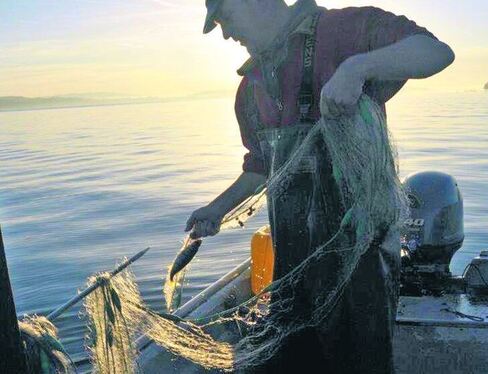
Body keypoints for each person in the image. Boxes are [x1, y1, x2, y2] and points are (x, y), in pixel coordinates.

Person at [185, 0, 454, 372]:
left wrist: (357, 67)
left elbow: (436, 53)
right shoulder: (250, 89)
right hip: (293, 265)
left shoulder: (343, 31)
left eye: (226, 19)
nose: (228, 34)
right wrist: (217, 208)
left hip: (360, 260)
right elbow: (261, 167)